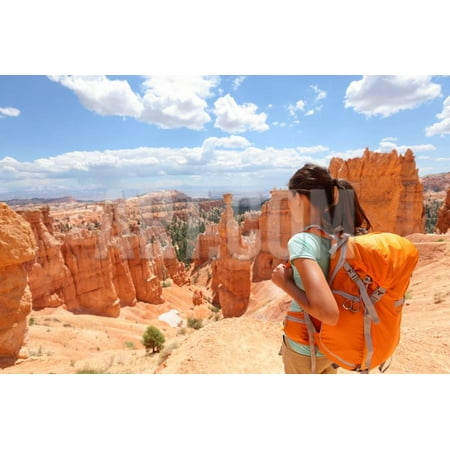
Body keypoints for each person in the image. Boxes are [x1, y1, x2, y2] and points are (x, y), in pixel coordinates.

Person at [271, 163, 372, 374]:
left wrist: (284, 283)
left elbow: (328, 312)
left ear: (299, 198)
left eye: (290, 198)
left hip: (305, 346)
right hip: (330, 345)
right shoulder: (339, 236)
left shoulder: (302, 242)